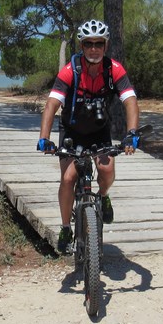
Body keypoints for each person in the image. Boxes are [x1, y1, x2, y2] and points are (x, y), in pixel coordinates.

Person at [36, 19, 141, 254]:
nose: (94, 49)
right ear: (82, 46)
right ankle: (65, 227)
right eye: (89, 44)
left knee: (106, 170)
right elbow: (52, 104)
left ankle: (103, 197)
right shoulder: (70, 71)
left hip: (99, 130)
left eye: (99, 44)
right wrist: (44, 137)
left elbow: (130, 101)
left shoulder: (114, 70)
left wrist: (132, 133)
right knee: (68, 178)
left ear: (105, 46)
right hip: (72, 131)